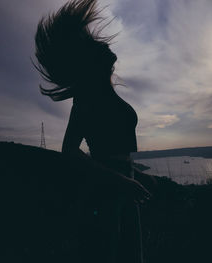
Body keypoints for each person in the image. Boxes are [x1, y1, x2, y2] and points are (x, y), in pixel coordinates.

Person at [33, 0, 151, 262]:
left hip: (124, 186)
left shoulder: (107, 94)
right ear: (93, 61)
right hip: (105, 191)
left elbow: (119, 153)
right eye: (98, 47)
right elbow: (69, 151)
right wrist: (122, 181)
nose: (106, 45)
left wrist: (134, 176)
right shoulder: (86, 99)